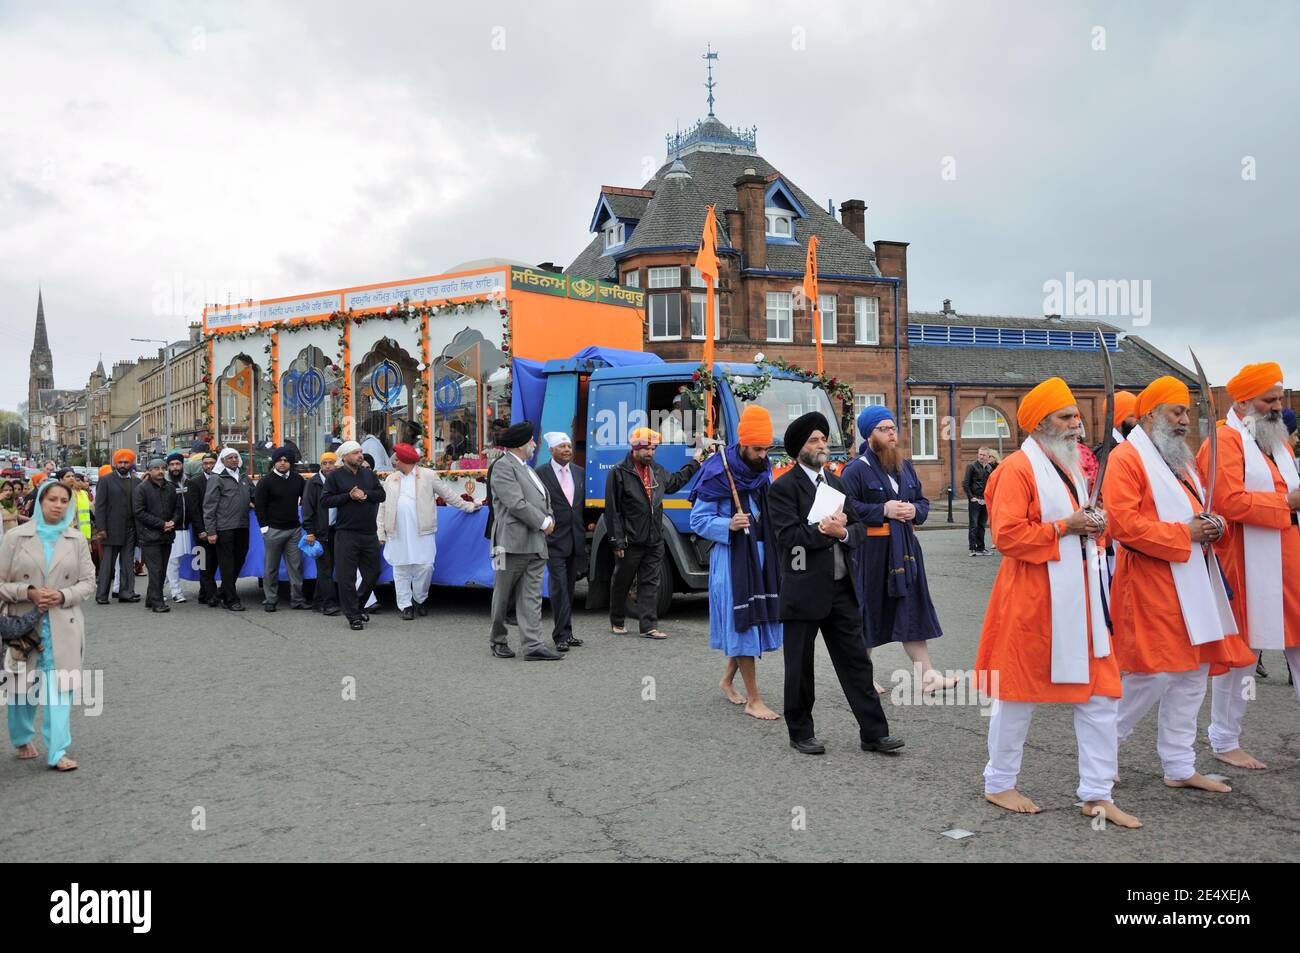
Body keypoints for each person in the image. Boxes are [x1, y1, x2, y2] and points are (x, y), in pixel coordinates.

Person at [974, 377, 1139, 828]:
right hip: (1032, 601)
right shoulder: (1017, 469)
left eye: (1076, 416)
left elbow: (1082, 524)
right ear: (1041, 423)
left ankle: (1097, 794)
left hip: (1083, 599)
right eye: (1066, 417)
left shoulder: (1067, 465)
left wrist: (1095, 521)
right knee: (1016, 695)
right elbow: (1007, 536)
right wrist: (1067, 527)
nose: (1077, 424)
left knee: (1103, 695)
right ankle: (1000, 783)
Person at [1104, 376, 1242, 793]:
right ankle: (1102, 751)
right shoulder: (1126, 459)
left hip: (1194, 578)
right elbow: (1124, 526)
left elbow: (1197, 509)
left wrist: (1213, 524)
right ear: (1150, 415)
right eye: (1175, 411)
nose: (1184, 420)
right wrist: (1187, 533)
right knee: (1154, 673)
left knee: (1194, 671)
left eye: (1186, 412)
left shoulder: (1178, 457)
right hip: (1149, 579)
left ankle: (1180, 766)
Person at [767, 411, 904, 756]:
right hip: (803, 591)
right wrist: (823, 530)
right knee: (800, 667)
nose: (822, 445)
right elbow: (788, 538)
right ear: (799, 449)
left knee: (857, 663)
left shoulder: (837, 483)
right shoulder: (783, 488)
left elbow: (858, 529)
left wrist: (842, 531)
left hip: (842, 589)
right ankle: (801, 732)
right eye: (814, 440)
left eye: (824, 439)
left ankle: (874, 733)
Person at [1196, 361, 1300, 768]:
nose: (1278, 406)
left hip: (1290, 559)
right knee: (1241, 655)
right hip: (1245, 562)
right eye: (1268, 399)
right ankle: (1224, 741)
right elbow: (1228, 502)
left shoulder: (1278, 441)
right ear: (1242, 402)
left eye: (1280, 398)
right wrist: (1286, 503)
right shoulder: (1223, 441)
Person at [842, 404, 954, 694]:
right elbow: (846, 507)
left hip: (905, 548)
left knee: (911, 608)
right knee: (869, 612)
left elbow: (923, 502)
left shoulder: (904, 467)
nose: (892, 434)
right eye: (884, 429)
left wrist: (912, 510)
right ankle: (861, 676)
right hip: (872, 552)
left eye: (893, 428)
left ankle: (928, 676)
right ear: (869, 435)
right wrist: (883, 509)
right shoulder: (856, 470)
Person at [689, 406, 782, 720]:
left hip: (760, 554)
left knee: (751, 620)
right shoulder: (717, 471)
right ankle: (754, 700)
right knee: (743, 622)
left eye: (767, 448)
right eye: (757, 449)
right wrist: (727, 524)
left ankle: (727, 680)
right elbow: (698, 520)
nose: (762, 455)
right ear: (743, 444)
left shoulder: (762, 468)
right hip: (731, 558)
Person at [1, 479, 95, 771]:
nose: (58, 505)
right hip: (23, 623)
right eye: (51, 499)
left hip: (62, 623)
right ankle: (21, 737)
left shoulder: (76, 539)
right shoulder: (15, 537)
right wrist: (28, 592)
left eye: (63, 501)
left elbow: (88, 582)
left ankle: (58, 751)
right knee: (22, 690)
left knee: (60, 688)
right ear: (40, 502)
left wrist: (63, 595)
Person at [605, 427, 703, 639]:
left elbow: (675, 482)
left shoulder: (655, 470)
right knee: (622, 580)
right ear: (635, 449)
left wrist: (696, 462)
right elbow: (613, 510)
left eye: (654, 448)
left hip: (654, 538)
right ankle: (617, 620)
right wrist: (617, 541)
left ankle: (648, 626)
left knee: (651, 581)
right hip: (631, 539)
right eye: (646, 449)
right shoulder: (619, 472)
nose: (650, 453)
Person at [377, 443, 479, 620]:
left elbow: (448, 495)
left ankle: (419, 598)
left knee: (425, 566)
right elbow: (383, 507)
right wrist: (380, 531)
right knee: (400, 568)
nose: (394, 462)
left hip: (422, 531)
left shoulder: (428, 476)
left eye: (397, 459)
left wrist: (469, 506)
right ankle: (405, 605)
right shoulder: (390, 479)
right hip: (397, 531)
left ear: (405, 460)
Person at [487, 422, 560, 660]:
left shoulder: (527, 468)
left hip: (535, 543)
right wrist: (543, 522)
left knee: (531, 596)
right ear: (521, 444)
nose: (535, 444)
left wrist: (549, 517)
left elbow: (539, 500)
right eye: (532, 441)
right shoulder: (502, 467)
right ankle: (498, 640)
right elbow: (515, 503)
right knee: (503, 594)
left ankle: (533, 645)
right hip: (507, 544)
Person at [321, 440, 386, 631]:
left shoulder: (368, 474)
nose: (361, 455)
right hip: (346, 533)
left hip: (368, 533)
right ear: (345, 456)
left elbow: (381, 495)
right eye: (356, 452)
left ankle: (356, 605)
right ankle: (353, 616)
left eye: (361, 452)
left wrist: (364, 493)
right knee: (346, 577)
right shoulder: (335, 477)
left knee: (373, 573)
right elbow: (325, 501)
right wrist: (349, 496)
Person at [535, 432, 587, 651]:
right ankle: (560, 636)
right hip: (554, 540)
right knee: (559, 588)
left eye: (569, 446)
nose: (567, 449)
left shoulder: (579, 472)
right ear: (551, 450)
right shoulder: (540, 474)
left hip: (575, 539)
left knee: (569, 587)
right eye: (562, 446)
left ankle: (568, 631)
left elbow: (580, 505)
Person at [254, 446, 308, 613]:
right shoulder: (266, 481)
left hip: (294, 529)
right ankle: (270, 599)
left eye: (286, 460)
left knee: (296, 566)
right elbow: (260, 507)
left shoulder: (298, 479)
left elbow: (306, 498)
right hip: (273, 530)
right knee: (271, 567)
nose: (283, 463)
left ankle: (297, 599)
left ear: (291, 463)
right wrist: (264, 528)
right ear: (274, 462)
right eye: (279, 460)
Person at [203, 448, 255, 612]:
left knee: (240, 559)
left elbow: (254, 495)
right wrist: (211, 531)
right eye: (230, 457)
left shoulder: (244, 477)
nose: (233, 460)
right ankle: (231, 599)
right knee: (227, 563)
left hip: (242, 525)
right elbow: (209, 506)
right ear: (223, 461)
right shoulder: (217, 478)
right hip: (224, 526)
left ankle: (220, 592)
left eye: (236, 457)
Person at [132, 457, 182, 613]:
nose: (160, 471)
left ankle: (150, 598)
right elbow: (139, 512)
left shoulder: (171, 487)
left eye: (162, 468)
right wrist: (162, 524)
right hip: (149, 536)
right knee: (156, 570)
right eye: (156, 468)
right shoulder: (141, 489)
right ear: (149, 471)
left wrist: (172, 522)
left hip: (167, 536)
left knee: (162, 568)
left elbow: (178, 509)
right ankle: (157, 602)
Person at [92, 449, 140, 605]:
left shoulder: (136, 481)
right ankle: (102, 595)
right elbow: (100, 506)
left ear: (131, 463)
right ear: (115, 463)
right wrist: (101, 528)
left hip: (130, 529)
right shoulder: (105, 480)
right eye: (120, 462)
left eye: (126, 462)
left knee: (127, 563)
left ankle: (126, 593)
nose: (123, 465)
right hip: (111, 530)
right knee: (108, 565)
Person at [301, 452, 340, 616]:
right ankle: (329, 603)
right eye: (324, 463)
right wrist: (310, 531)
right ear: (321, 466)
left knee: (329, 567)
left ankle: (318, 601)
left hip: (336, 530)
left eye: (331, 463)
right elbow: (307, 508)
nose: (328, 466)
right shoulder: (314, 482)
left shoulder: (339, 481)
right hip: (319, 531)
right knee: (324, 568)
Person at [185, 452, 219, 607]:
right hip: (201, 532)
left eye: (212, 463)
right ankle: (212, 595)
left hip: (219, 530)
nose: (209, 466)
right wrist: (201, 530)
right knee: (204, 564)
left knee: (214, 564)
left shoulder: (221, 480)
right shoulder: (194, 483)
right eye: (205, 463)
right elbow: (193, 510)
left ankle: (203, 593)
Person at [162, 452, 189, 604]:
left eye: (178, 464)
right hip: (170, 528)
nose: (175, 467)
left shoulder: (187, 481)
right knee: (172, 562)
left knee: (174, 561)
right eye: (172, 465)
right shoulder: (164, 483)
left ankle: (157, 588)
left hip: (185, 527)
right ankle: (176, 591)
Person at [963, 447, 995, 556]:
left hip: (985, 500)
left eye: (983, 455)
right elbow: (966, 483)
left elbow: (991, 485)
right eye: (980, 454)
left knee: (982, 525)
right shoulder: (971, 466)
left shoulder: (990, 468)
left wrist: (989, 498)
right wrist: (971, 497)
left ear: (988, 456)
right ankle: (972, 548)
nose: (981, 456)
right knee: (973, 525)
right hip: (975, 499)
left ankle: (981, 548)